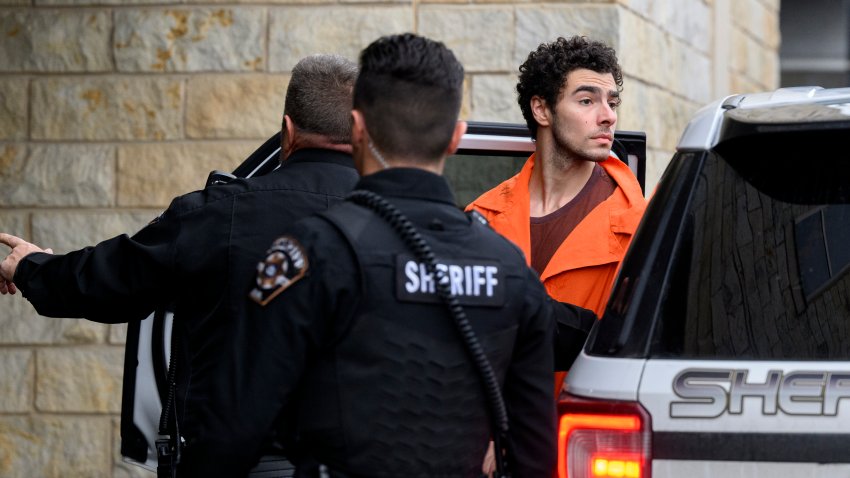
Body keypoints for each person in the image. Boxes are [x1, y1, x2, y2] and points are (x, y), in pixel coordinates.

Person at [244, 33, 594, 478]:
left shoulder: (308, 253)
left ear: (356, 129)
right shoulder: (508, 269)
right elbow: (534, 450)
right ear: (455, 137)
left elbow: (234, 425)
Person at [0, 54, 360, 476]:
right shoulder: (403, 224)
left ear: (288, 130)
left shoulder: (217, 214)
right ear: (363, 132)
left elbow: (110, 281)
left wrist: (30, 266)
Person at [467, 36, 647, 394]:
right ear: (542, 110)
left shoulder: (642, 228)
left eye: (612, 102)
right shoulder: (480, 216)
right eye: (586, 101)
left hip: (581, 436)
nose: (608, 115)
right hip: (490, 437)